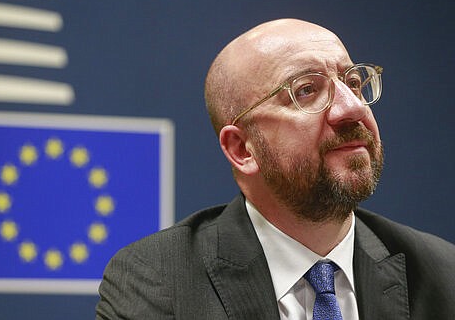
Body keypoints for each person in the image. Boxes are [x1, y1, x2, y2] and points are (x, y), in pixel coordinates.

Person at [95, 19, 455, 319]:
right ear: (241, 148)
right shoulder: (158, 280)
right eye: (307, 90)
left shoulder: (442, 274)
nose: (352, 108)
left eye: (353, 83)